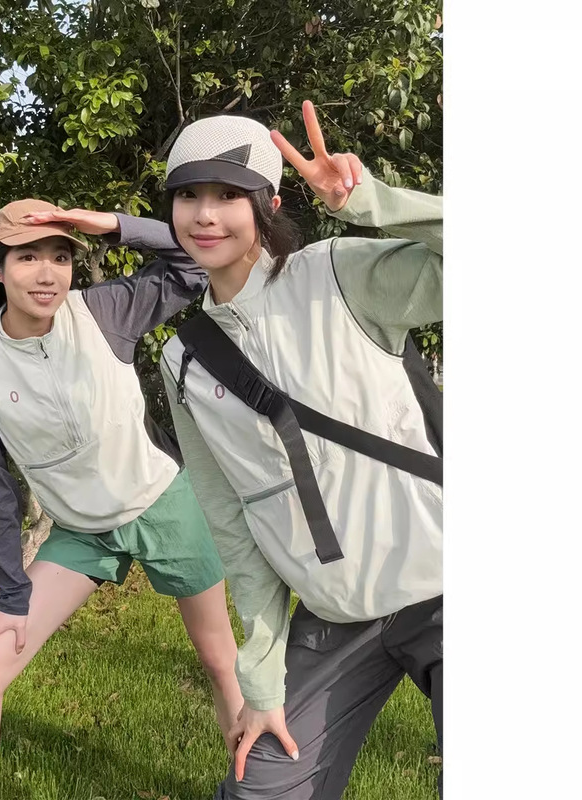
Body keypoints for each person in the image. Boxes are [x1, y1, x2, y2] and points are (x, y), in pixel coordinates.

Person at [152, 104, 443, 799]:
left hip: (443, 580)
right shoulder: (183, 361)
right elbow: (233, 524)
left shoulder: (338, 274)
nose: (205, 215)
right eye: (189, 195)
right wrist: (260, 682)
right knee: (260, 788)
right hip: (333, 616)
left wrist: (369, 202)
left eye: (228, 194)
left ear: (269, 204)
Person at [0, 198, 243, 799]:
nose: (47, 273)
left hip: (162, 504)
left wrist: (111, 225)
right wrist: (11, 594)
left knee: (222, 662)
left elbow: (194, 262)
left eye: (60, 257)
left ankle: (256, 789)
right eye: (27, 257)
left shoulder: (103, 311)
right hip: (81, 531)